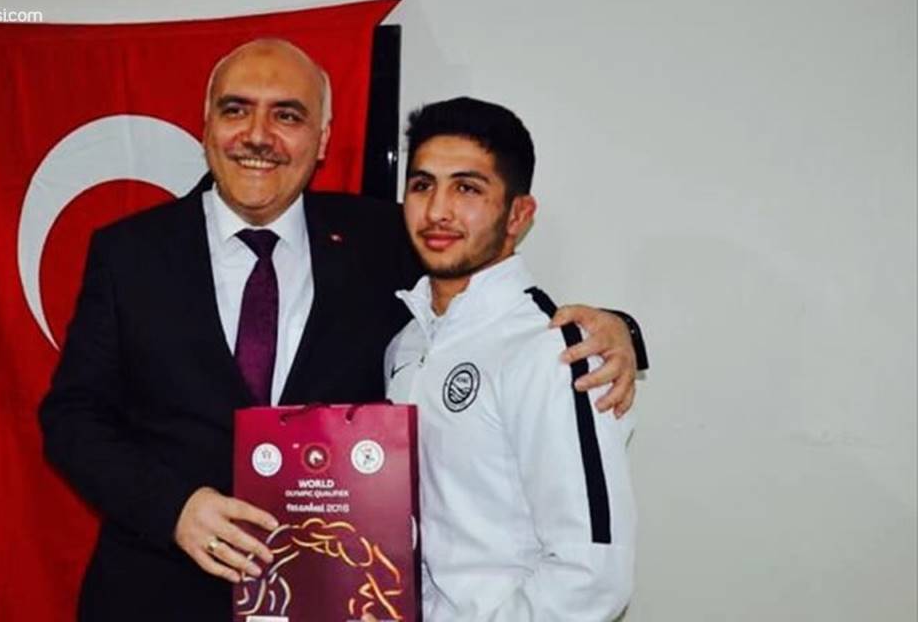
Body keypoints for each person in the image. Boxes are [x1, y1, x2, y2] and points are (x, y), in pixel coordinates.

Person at [38, 39, 644, 620]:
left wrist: (619, 331)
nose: (257, 135)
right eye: (236, 110)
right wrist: (174, 508)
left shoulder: (385, 239)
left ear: (322, 138)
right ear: (206, 126)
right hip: (156, 593)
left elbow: (480, 287)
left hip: (334, 597)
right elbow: (72, 418)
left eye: (287, 115)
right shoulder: (129, 253)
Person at [382, 97, 636, 620]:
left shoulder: (556, 349)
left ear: (518, 214)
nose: (437, 211)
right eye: (423, 185)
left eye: (467, 188)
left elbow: (593, 575)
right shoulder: (405, 343)